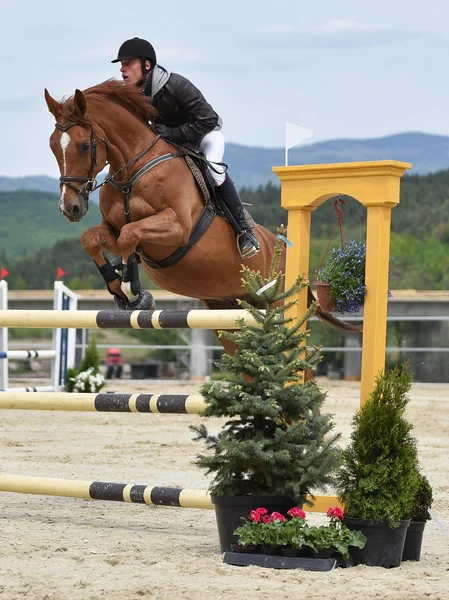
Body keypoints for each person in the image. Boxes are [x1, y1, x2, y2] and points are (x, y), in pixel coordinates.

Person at [111, 37, 260, 260]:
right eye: (121, 65)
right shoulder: (134, 95)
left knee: (215, 172)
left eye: (128, 63)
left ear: (147, 65)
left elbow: (208, 120)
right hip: (172, 146)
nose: (122, 69)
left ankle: (245, 232)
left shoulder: (176, 85)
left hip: (204, 136)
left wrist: (171, 134)